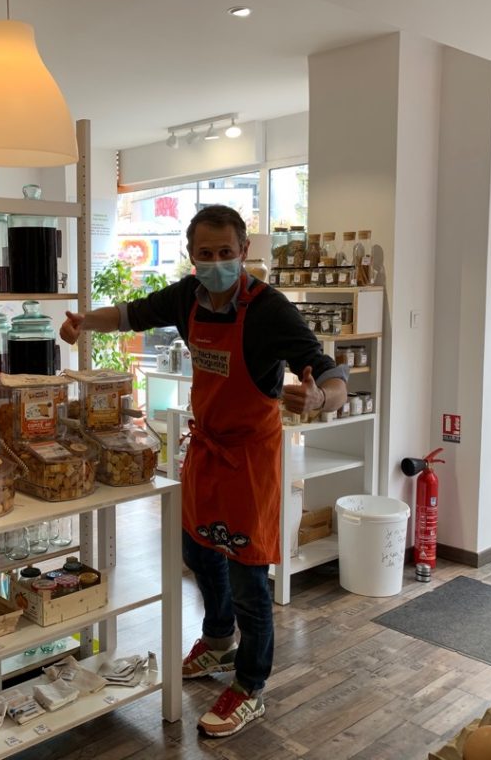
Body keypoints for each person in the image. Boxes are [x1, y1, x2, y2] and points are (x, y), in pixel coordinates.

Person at [59, 205, 348, 737]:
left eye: (225, 253)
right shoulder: (187, 297)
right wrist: (83, 322)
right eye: (205, 254)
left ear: (244, 252)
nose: (216, 263)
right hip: (207, 448)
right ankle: (218, 641)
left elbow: (330, 371)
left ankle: (251, 685)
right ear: (191, 255)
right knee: (197, 549)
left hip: (250, 458)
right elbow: (130, 314)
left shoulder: (269, 309)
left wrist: (320, 398)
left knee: (247, 575)